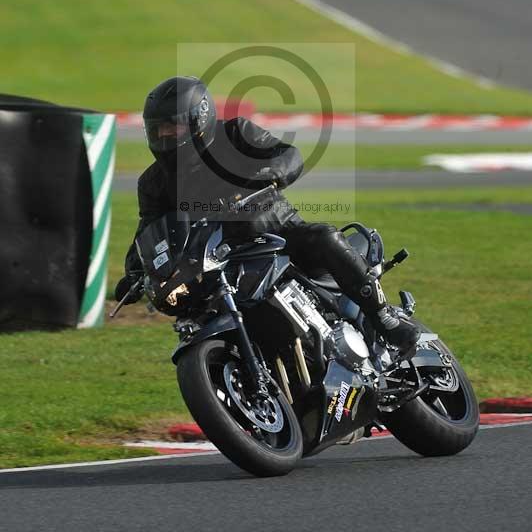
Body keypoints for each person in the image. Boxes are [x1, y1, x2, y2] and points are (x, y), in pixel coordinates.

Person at [115, 76, 419, 354]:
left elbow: (288, 154)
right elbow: (150, 228)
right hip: (218, 257)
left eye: (173, 126)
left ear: (199, 120)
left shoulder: (234, 133)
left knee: (323, 236)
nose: (165, 135)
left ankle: (383, 316)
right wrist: (135, 269)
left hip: (276, 232)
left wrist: (272, 172)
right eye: (158, 129)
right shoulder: (153, 182)